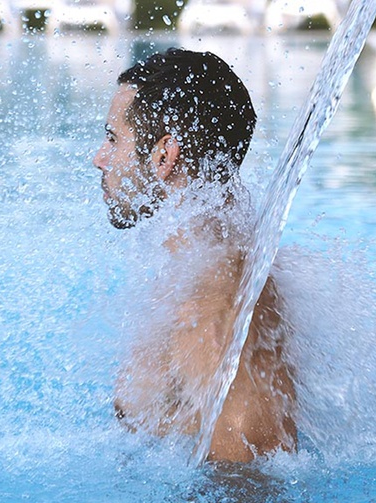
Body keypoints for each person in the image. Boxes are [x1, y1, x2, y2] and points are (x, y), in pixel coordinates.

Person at [92, 48, 297, 462]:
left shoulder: (216, 299)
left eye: (114, 139)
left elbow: (253, 467)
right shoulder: (199, 261)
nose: (98, 158)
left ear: (164, 156)